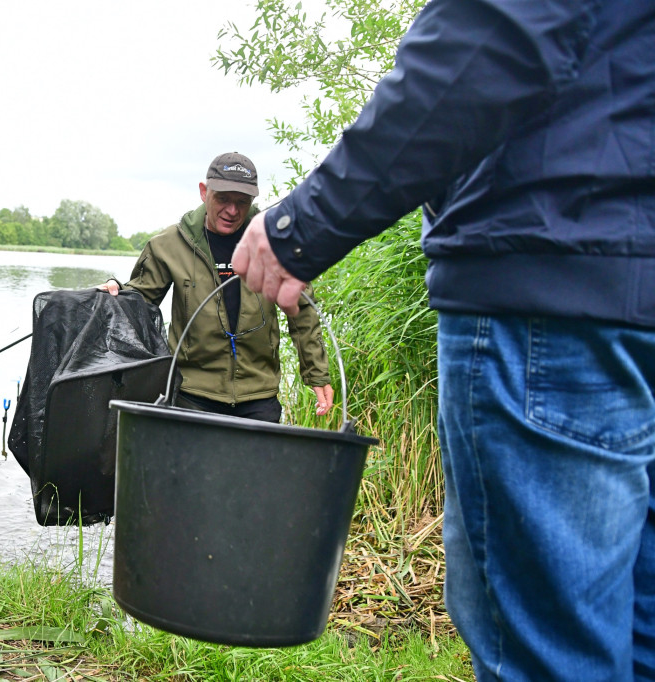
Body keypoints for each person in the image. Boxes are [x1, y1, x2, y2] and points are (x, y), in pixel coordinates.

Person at [231, 1, 655, 680]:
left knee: (550, 657)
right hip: (628, 296)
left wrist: (305, 225)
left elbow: (489, 38)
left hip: (548, 292)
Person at [99, 152, 334, 423]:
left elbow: (303, 311)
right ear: (203, 192)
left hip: (258, 395)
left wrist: (316, 374)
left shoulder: (275, 242)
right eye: (223, 199)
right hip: (191, 393)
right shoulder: (169, 244)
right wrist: (114, 290)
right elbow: (138, 299)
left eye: (242, 202)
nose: (232, 211)